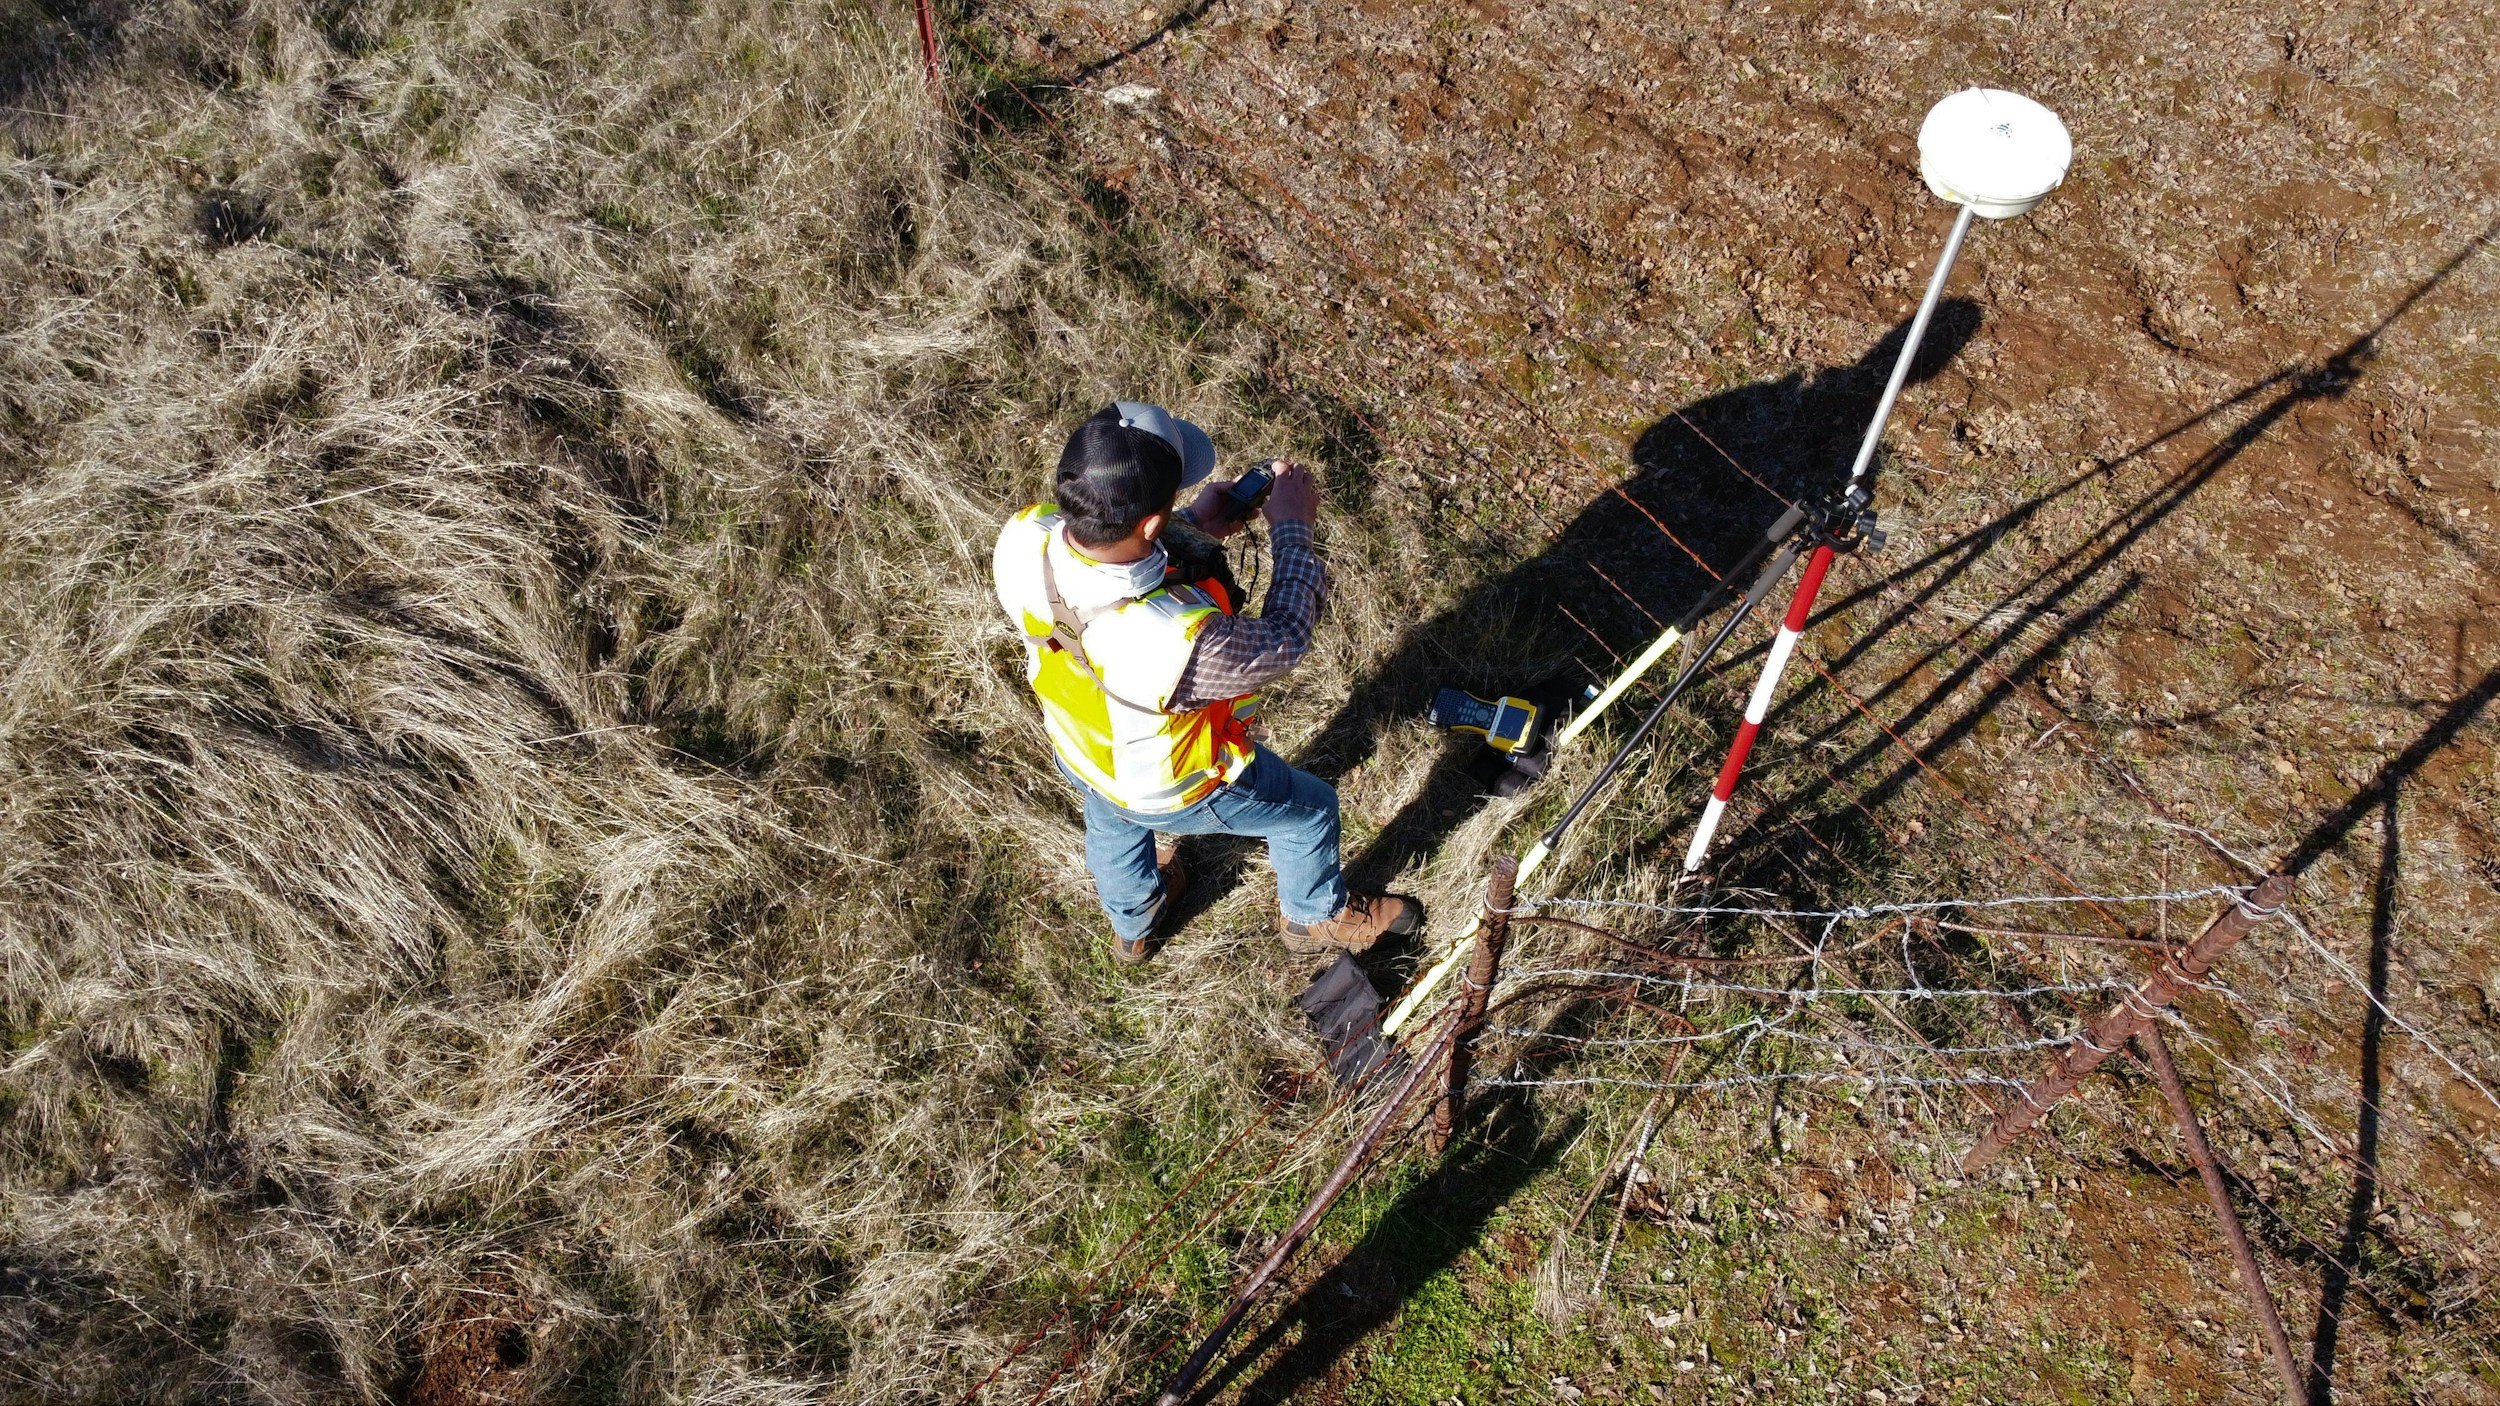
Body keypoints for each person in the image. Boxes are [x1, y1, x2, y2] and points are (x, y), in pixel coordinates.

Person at [992, 402, 1421, 964]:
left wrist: (1195, 524)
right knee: (1310, 809)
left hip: (1080, 747)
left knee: (1110, 815)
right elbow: (1284, 640)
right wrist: (1292, 530)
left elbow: (1108, 562)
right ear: (1149, 524)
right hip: (1174, 784)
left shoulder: (1025, 535)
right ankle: (1314, 917)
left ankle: (1135, 918)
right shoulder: (1174, 638)